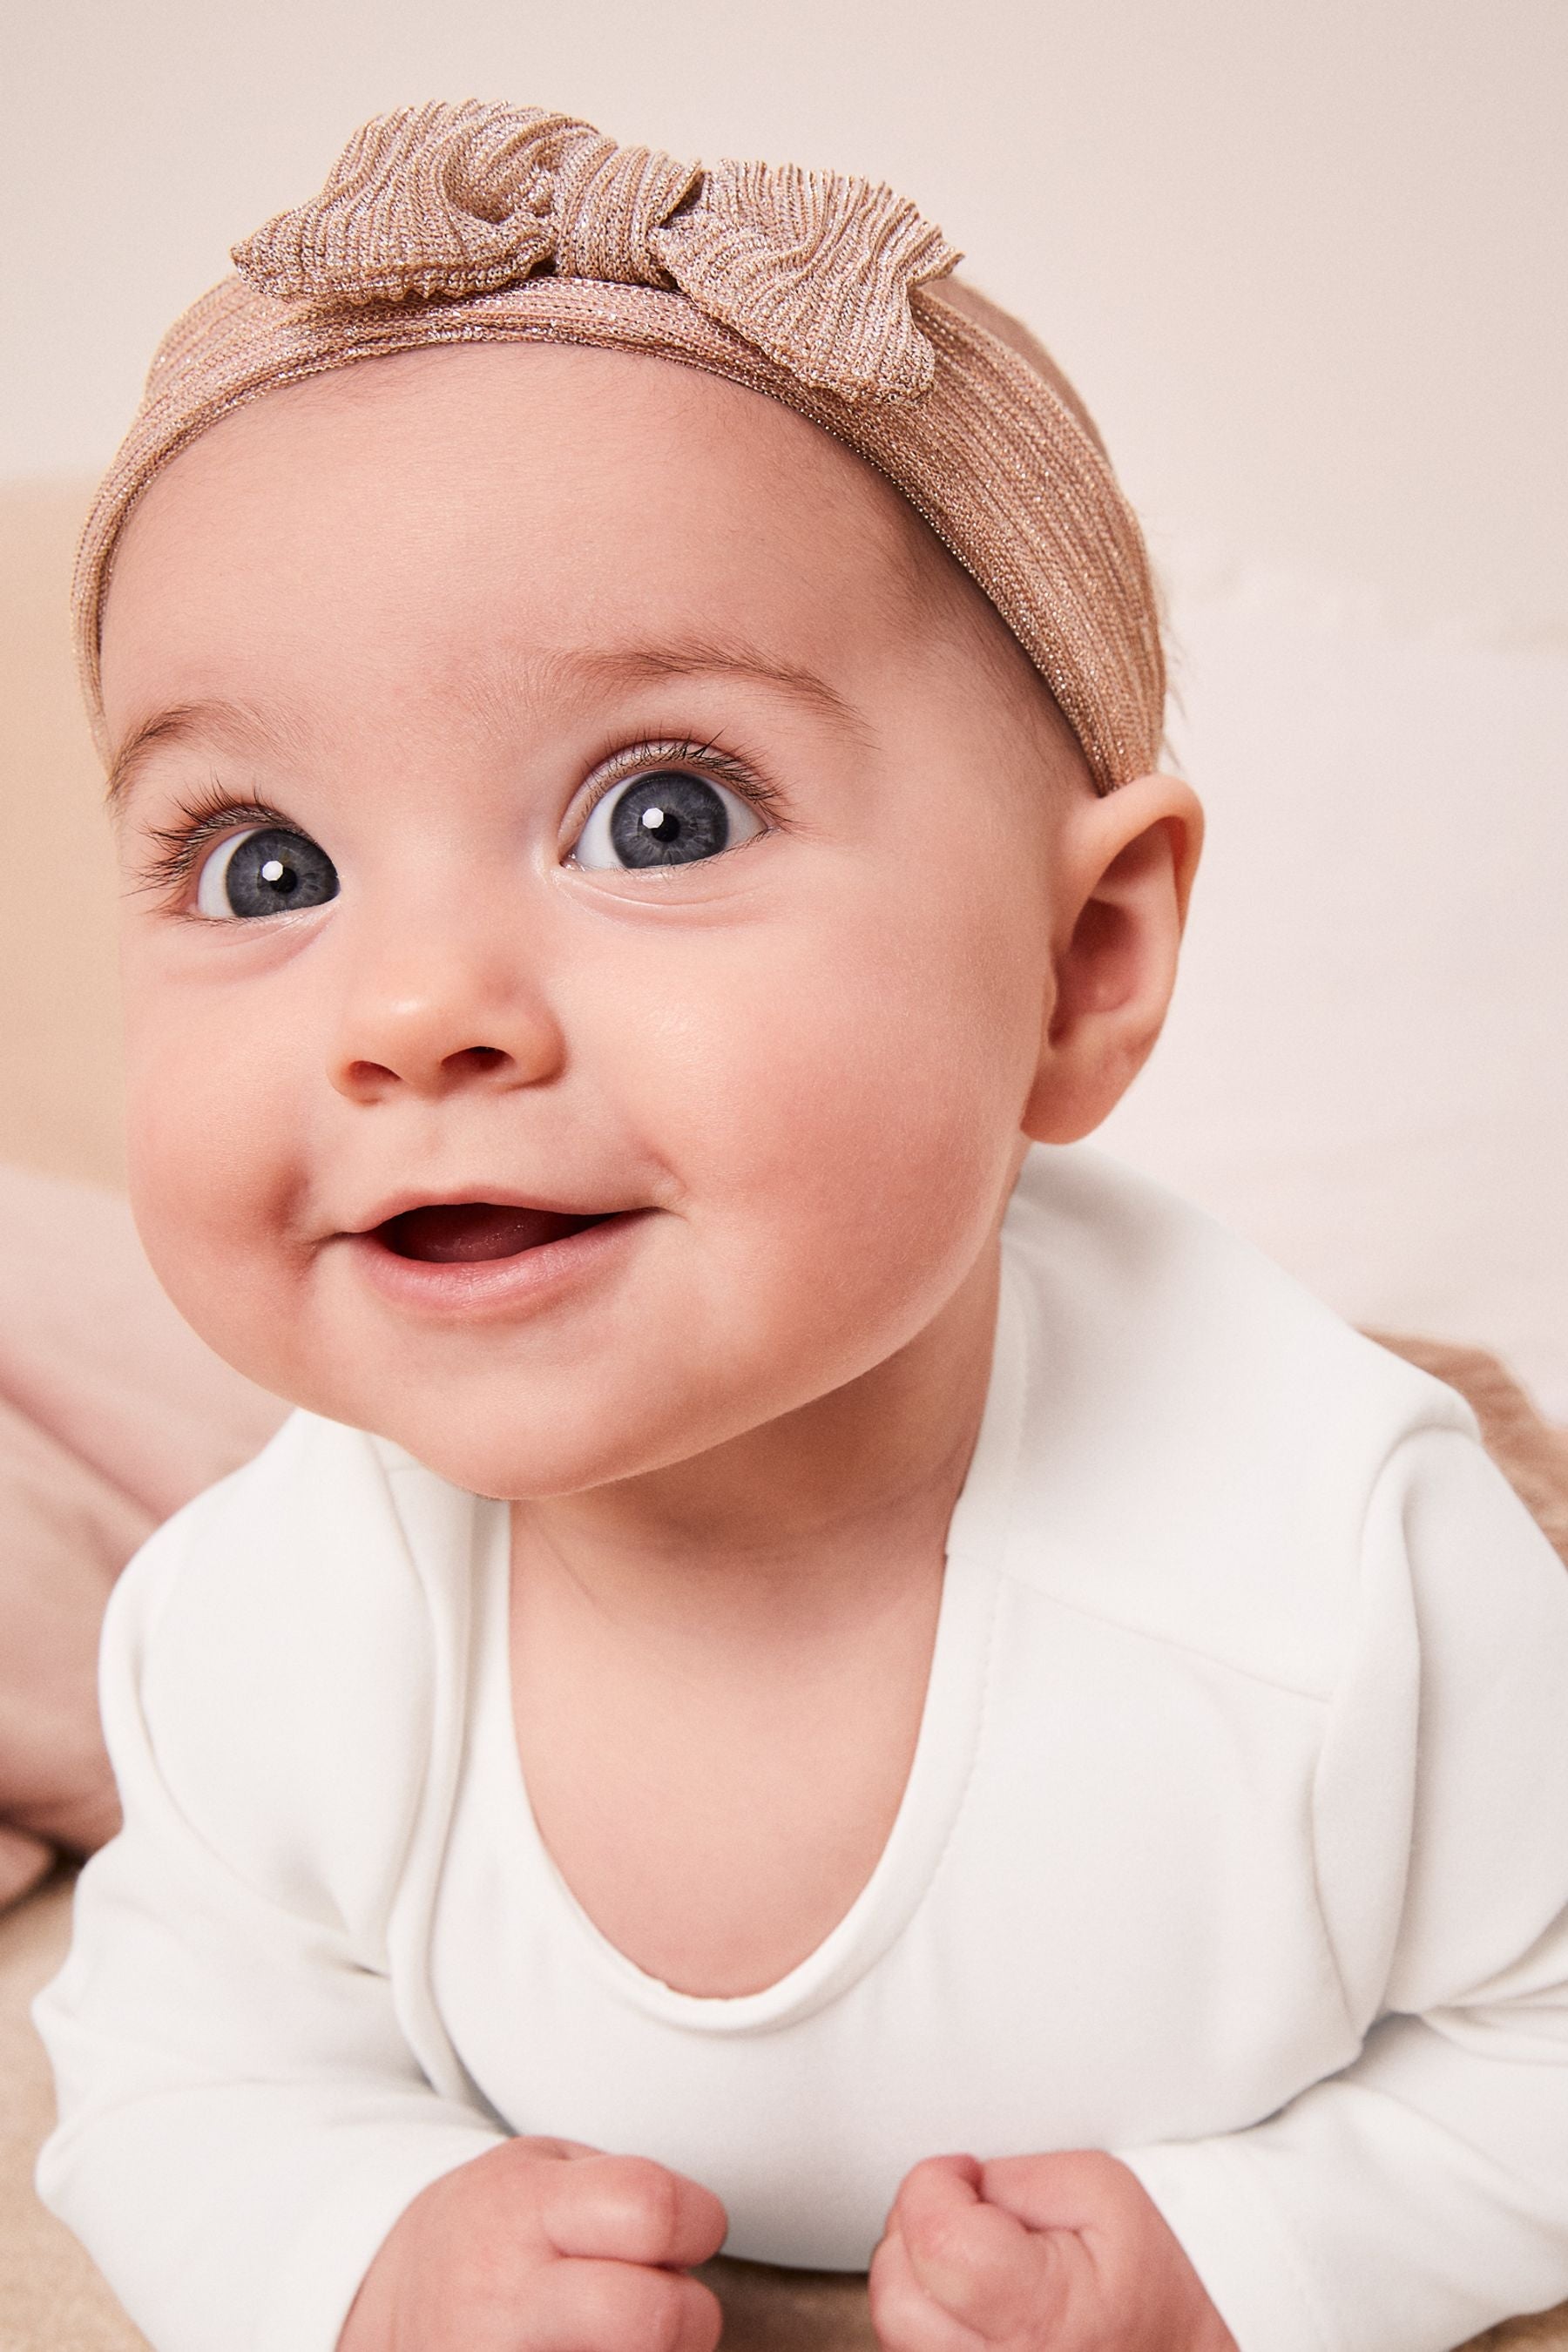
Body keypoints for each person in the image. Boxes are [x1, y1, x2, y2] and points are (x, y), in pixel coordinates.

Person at [30, 101, 1568, 2352]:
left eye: (661, 812)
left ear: (1086, 962)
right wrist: (359, 2247)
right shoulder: (272, 1615)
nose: (418, 1008)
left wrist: (1246, 2259)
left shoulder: (1335, 1570)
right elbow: (173, 2071)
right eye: (266, 862)